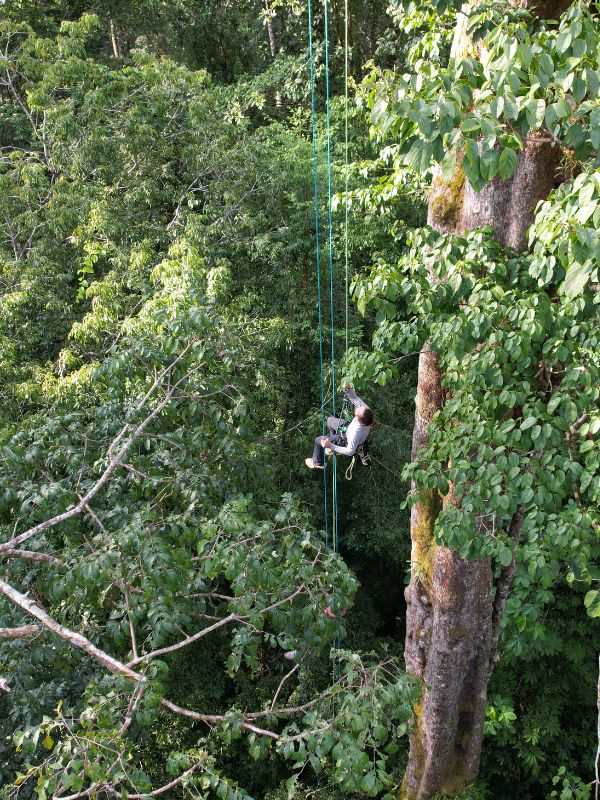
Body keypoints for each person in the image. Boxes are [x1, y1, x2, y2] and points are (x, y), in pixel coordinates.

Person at [305, 383, 373, 470]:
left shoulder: (356, 433)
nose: (359, 407)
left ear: (358, 418)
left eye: (358, 411)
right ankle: (332, 444)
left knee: (318, 440)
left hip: (345, 439)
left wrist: (330, 445)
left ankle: (318, 462)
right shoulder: (367, 412)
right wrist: (348, 389)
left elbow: (349, 452)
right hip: (348, 428)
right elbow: (356, 400)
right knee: (329, 420)